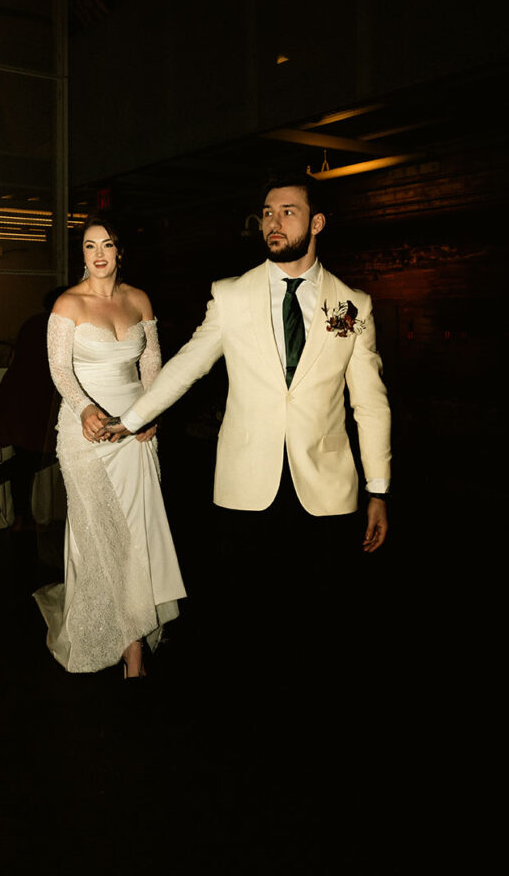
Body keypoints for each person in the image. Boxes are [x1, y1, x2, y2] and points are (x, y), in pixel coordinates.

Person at [101, 171, 391, 681]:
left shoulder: (351, 306)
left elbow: (370, 405)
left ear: (317, 222)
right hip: (246, 484)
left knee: (320, 613)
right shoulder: (231, 296)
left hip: (324, 487)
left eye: (288, 212)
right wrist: (132, 419)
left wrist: (378, 489)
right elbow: (189, 364)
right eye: (268, 213)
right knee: (245, 612)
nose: (273, 223)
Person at [33, 216, 186, 678]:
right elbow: (60, 370)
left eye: (107, 245)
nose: (98, 253)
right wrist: (82, 408)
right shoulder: (68, 304)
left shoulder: (139, 300)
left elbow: (152, 363)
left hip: (135, 431)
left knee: (136, 532)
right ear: (81, 254)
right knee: (101, 533)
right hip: (87, 434)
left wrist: (151, 411)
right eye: (88, 245)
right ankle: (130, 639)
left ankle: (133, 631)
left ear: (120, 252)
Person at [0, 287, 64, 531]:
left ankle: (20, 518)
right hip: (33, 398)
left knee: (25, 457)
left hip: (17, 393)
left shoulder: (33, 321)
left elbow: (15, 357)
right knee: (47, 453)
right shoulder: (61, 325)